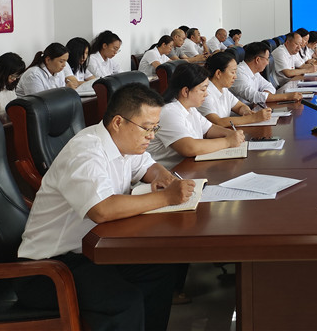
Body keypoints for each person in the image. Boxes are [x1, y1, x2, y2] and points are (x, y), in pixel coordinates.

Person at [16, 84, 194, 331]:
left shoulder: (127, 143)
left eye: (155, 128)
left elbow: (149, 167)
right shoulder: (86, 152)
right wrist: (166, 198)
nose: (152, 136)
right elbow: (102, 209)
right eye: (147, 128)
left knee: (159, 268)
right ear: (118, 122)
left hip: (93, 251)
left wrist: (168, 180)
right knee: (124, 301)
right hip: (48, 268)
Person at [146, 63, 244, 169]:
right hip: (168, 172)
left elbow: (209, 129)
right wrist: (228, 141)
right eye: (203, 89)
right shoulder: (168, 112)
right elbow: (189, 147)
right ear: (186, 91)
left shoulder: (190, 108)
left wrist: (231, 134)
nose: (206, 94)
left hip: (189, 167)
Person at [198, 52, 272, 126]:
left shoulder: (223, 89)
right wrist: (253, 118)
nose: (235, 77)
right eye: (232, 72)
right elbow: (218, 122)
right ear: (218, 73)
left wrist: (246, 112)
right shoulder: (205, 93)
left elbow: (240, 106)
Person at [230, 42, 303, 105]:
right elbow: (254, 96)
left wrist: (264, 97)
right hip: (238, 115)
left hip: (253, 110)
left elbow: (269, 86)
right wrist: (287, 97)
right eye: (267, 59)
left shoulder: (255, 72)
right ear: (257, 60)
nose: (268, 63)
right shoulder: (238, 73)